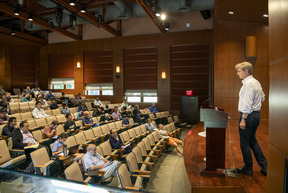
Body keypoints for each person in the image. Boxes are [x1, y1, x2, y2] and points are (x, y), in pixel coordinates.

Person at [234, 61, 267, 176]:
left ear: (246, 71)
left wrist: (243, 119)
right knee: (253, 141)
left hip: (248, 116)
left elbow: (247, 104)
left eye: (239, 71)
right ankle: (265, 166)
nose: (238, 73)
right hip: (256, 115)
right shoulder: (256, 82)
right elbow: (262, 97)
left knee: (245, 144)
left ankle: (248, 169)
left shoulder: (247, 84)